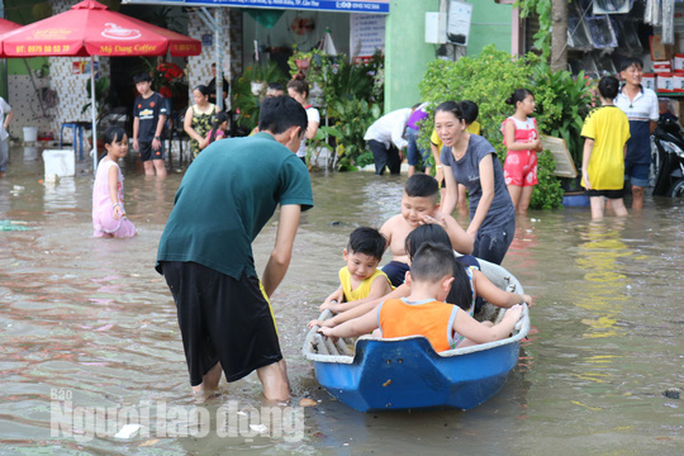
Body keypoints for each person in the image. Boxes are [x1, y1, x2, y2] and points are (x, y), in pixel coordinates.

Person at [156, 96, 312, 401]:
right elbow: (281, 254)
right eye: (301, 138)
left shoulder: (216, 146)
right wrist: (259, 297)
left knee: (207, 361)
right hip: (222, 256)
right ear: (294, 132)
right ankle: (281, 440)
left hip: (172, 254)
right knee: (271, 363)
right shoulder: (290, 163)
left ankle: (206, 434)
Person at [311, 223, 532, 329]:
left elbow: (376, 306)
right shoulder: (471, 273)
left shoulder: (415, 283)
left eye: (408, 255)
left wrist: (335, 318)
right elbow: (503, 299)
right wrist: (522, 299)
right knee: (485, 325)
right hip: (460, 338)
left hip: (426, 338)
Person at [319, 242, 524, 352]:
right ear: (447, 284)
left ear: (408, 278)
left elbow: (354, 327)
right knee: (488, 326)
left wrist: (331, 329)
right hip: (438, 365)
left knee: (373, 333)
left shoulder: (386, 308)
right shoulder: (451, 312)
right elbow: (493, 337)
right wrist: (510, 319)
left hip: (394, 362)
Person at [435, 101, 516, 265]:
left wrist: (471, 231)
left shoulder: (481, 148)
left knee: (483, 267)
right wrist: (440, 223)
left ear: (462, 124)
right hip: (476, 214)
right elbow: (451, 194)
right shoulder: (446, 151)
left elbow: (488, 193)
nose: (444, 132)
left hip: (499, 217)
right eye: (438, 127)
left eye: (449, 125)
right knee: (470, 266)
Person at [379, 173, 474, 287]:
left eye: (420, 209)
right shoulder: (393, 224)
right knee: (386, 273)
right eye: (407, 207)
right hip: (402, 271)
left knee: (470, 262)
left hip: (438, 273)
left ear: (435, 208)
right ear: (401, 202)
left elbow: (468, 249)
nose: (412, 214)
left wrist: (446, 231)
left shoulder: (443, 220)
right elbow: (372, 252)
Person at [581, 76, 631, 220]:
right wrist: (619, 164)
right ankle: (627, 236)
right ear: (617, 93)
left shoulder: (594, 115)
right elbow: (624, 145)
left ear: (598, 92)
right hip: (615, 168)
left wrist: (584, 170)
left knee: (597, 211)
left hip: (597, 169)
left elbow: (589, 142)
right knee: (619, 207)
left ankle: (597, 241)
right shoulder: (622, 116)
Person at [615, 57, 660, 210]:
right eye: (632, 70)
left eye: (639, 70)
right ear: (623, 74)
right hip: (617, 152)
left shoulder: (650, 95)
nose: (637, 74)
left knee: (638, 190)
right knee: (614, 191)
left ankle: (637, 229)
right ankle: (610, 229)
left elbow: (653, 122)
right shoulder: (615, 96)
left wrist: (638, 138)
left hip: (641, 151)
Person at [322, 227, 393, 309]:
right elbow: (344, 286)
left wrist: (339, 307)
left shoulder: (378, 280)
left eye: (370, 265)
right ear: (345, 255)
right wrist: (339, 291)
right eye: (356, 263)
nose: (361, 270)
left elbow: (372, 301)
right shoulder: (344, 272)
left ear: (378, 262)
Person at [502, 89, 542, 214]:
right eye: (530, 101)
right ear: (519, 104)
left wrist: (535, 145)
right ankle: (513, 233)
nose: (533, 104)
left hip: (530, 167)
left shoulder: (532, 122)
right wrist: (530, 144)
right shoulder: (511, 122)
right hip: (515, 167)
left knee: (524, 207)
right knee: (512, 206)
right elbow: (510, 145)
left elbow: (540, 146)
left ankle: (524, 232)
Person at [92, 127, 136, 238]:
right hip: (112, 213)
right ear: (108, 146)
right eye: (119, 144)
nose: (124, 147)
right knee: (133, 236)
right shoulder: (113, 167)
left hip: (100, 214)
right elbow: (113, 188)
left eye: (125, 143)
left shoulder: (102, 162)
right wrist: (116, 206)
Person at [132, 73, 168, 177]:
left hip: (155, 137)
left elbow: (162, 117)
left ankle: (160, 191)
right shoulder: (138, 100)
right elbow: (136, 119)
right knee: (147, 165)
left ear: (149, 83)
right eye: (138, 85)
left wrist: (157, 136)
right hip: (143, 138)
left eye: (143, 84)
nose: (141, 87)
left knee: (158, 163)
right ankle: (150, 190)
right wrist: (135, 138)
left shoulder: (158, 98)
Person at [364, 107, 412, 175]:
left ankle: (395, 181)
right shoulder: (403, 118)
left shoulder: (409, 117)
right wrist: (411, 146)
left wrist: (400, 150)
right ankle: (378, 180)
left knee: (396, 161)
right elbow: (396, 138)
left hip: (389, 140)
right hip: (376, 136)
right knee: (382, 160)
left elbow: (399, 135)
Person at [287, 74, 320, 165]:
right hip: (284, 155)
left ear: (303, 94)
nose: (291, 99)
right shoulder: (287, 110)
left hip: (298, 157)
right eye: (290, 96)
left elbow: (310, 134)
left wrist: (298, 116)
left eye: (294, 96)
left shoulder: (312, 112)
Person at [183, 85, 219, 159]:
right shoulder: (191, 110)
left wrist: (209, 139)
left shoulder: (215, 109)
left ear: (206, 97)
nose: (196, 99)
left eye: (198, 97)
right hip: (197, 143)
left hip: (212, 142)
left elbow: (220, 125)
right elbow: (187, 127)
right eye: (194, 97)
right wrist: (199, 139)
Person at [405, 102, 431, 177]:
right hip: (419, 130)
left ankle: (409, 186)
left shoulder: (423, 104)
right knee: (429, 163)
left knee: (411, 163)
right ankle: (428, 186)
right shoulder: (436, 105)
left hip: (409, 129)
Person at [0, 96, 12, 176]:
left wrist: (5, 125)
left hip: (1, 134)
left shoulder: (0, 101)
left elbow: (10, 112)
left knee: (4, 156)